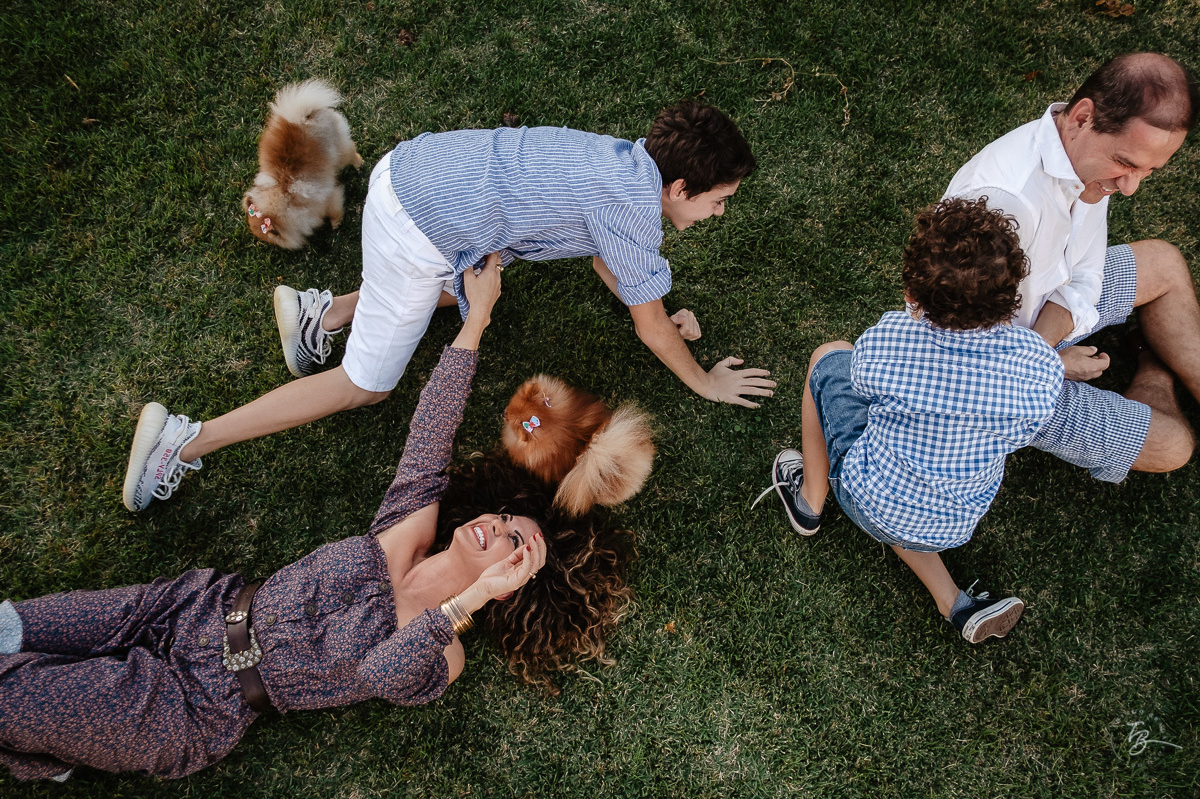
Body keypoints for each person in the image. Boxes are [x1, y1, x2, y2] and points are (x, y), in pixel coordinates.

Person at [1, 266, 633, 780]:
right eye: (503, 517)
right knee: (10, 627)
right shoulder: (405, 529)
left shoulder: (448, 651)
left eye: (515, 543)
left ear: (514, 582)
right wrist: (476, 322)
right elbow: (430, 434)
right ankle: (50, 750)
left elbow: (382, 672)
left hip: (191, 707)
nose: (496, 527)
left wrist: (472, 598)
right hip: (192, 608)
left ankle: (51, 740)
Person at [122, 101, 774, 512]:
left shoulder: (621, 161)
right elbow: (651, 326)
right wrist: (704, 379)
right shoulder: (634, 211)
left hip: (410, 171)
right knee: (365, 385)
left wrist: (655, 303)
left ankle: (325, 315)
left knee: (484, 264)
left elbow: (614, 268)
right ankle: (180, 443)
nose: (717, 214)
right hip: (419, 231)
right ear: (680, 187)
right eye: (717, 201)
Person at [758, 199, 1063, 642]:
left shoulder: (889, 340)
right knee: (916, 495)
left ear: (911, 294)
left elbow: (859, 381)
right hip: (954, 519)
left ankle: (810, 500)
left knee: (826, 359)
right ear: (1012, 296)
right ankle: (955, 605)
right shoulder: (1040, 366)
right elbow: (1020, 434)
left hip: (872, 497)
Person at [944, 52, 1200, 484]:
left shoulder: (1081, 162)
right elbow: (957, 353)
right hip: (990, 380)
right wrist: (1050, 364)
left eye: (1149, 171)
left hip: (1037, 324)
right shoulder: (1000, 204)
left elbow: (1083, 272)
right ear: (1082, 117)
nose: (1131, 187)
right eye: (1126, 163)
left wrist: (1045, 342)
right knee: (1173, 445)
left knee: (1163, 262)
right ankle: (1154, 366)